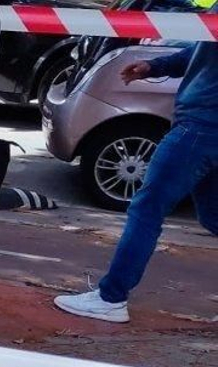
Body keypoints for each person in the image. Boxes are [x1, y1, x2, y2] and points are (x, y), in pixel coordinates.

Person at [54, 21, 217, 323]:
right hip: (202, 124)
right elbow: (202, 49)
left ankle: (111, 298)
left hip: (200, 127)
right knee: (212, 215)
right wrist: (154, 67)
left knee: (147, 209)